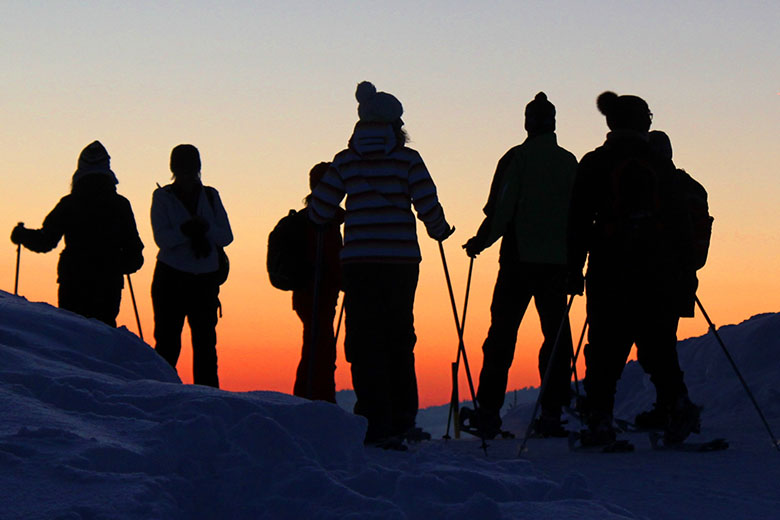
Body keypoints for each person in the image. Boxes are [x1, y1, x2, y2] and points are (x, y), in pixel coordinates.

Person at [308, 81, 453, 449]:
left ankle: (374, 420)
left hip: (359, 263)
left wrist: (335, 214)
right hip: (401, 262)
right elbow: (427, 204)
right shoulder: (408, 160)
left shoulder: (345, 160)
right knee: (399, 337)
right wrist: (440, 230)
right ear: (394, 126)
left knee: (364, 340)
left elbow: (319, 210)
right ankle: (403, 417)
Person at [567, 92, 701, 446]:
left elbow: (578, 220)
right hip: (657, 267)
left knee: (605, 346)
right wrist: (686, 272)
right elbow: (680, 222)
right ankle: (678, 406)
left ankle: (599, 419)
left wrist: (572, 268)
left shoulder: (595, 162)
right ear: (643, 122)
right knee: (658, 344)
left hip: (609, 265)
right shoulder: (660, 163)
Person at [462, 92, 578, 438]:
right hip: (557, 264)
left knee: (501, 336)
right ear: (554, 124)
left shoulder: (517, 158)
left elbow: (501, 209)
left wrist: (480, 241)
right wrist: (576, 264)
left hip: (517, 261)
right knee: (556, 338)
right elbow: (579, 216)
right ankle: (553, 413)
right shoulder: (568, 162)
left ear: (528, 123)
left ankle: (488, 413)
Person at [10, 141, 144, 327]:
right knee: (103, 332)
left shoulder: (70, 204)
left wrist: (22, 235)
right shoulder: (120, 204)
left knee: (73, 333)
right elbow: (135, 254)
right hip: (107, 284)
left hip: (73, 281)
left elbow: (45, 241)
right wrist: (117, 264)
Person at [630, 130, 712, 430]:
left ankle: (676, 406)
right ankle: (670, 405)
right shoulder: (691, 187)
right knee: (660, 342)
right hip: (681, 278)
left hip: (654, 276)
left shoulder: (653, 186)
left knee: (654, 345)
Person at [150, 144, 233, 388]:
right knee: (168, 345)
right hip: (173, 279)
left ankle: (206, 397)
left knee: (204, 346)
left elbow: (226, 236)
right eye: (183, 168)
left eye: (190, 168)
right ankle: (163, 393)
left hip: (202, 281)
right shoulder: (163, 197)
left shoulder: (210, 195)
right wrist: (189, 230)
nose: (187, 173)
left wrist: (202, 228)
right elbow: (162, 240)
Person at [291, 162, 343, 403]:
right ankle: (317, 402)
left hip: (311, 294)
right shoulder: (322, 221)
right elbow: (329, 258)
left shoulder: (314, 217)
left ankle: (310, 399)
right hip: (318, 294)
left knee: (316, 348)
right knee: (321, 351)